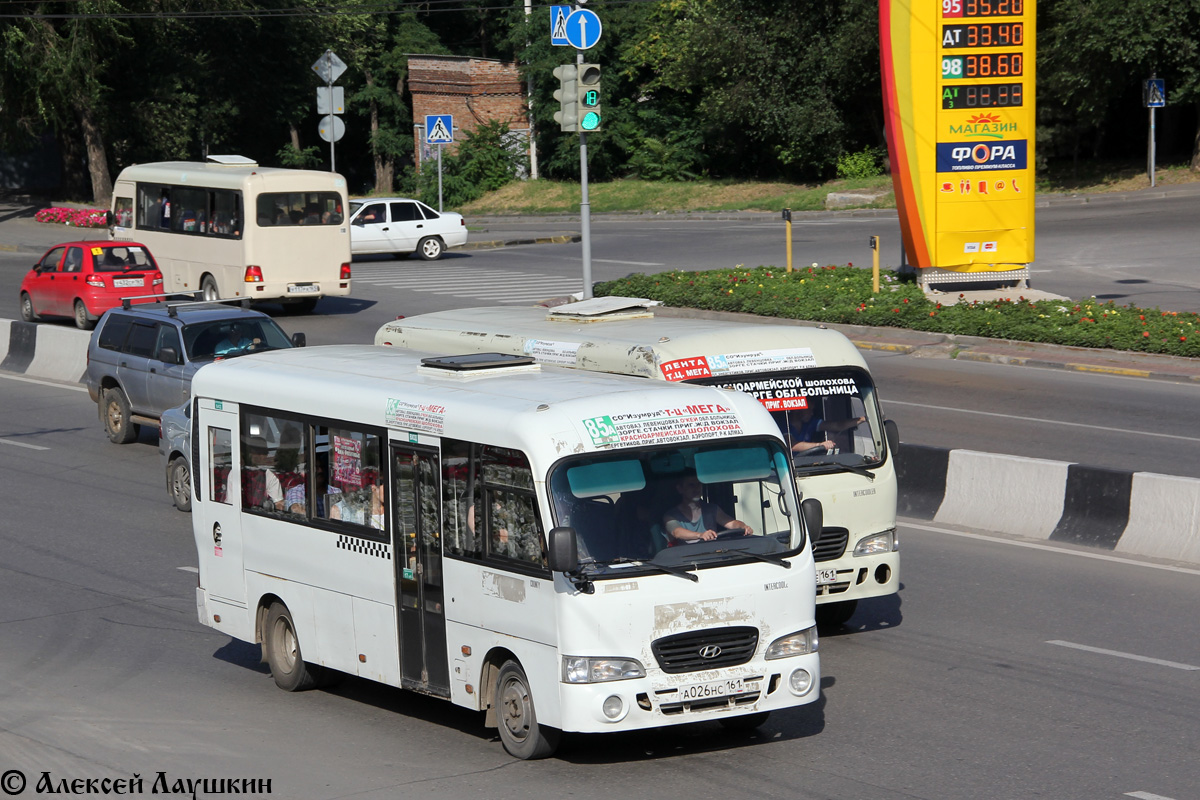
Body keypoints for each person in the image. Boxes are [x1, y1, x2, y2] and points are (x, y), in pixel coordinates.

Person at [662, 473, 753, 544]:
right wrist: (700, 535)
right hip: (684, 562)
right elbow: (676, 532)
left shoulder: (712, 509)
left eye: (699, 484)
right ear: (680, 489)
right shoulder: (670, 516)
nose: (697, 488)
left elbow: (732, 523)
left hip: (712, 557)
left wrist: (743, 526)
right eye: (691, 485)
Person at [786, 405, 866, 455]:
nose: (812, 413)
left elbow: (837, 426)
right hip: (787, 467)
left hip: (805, 462)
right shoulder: (784, 423)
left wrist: (862, 419)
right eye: (809, 409)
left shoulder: (810, 422)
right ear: (798, 408)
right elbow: (792, 445)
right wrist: (820, 445)